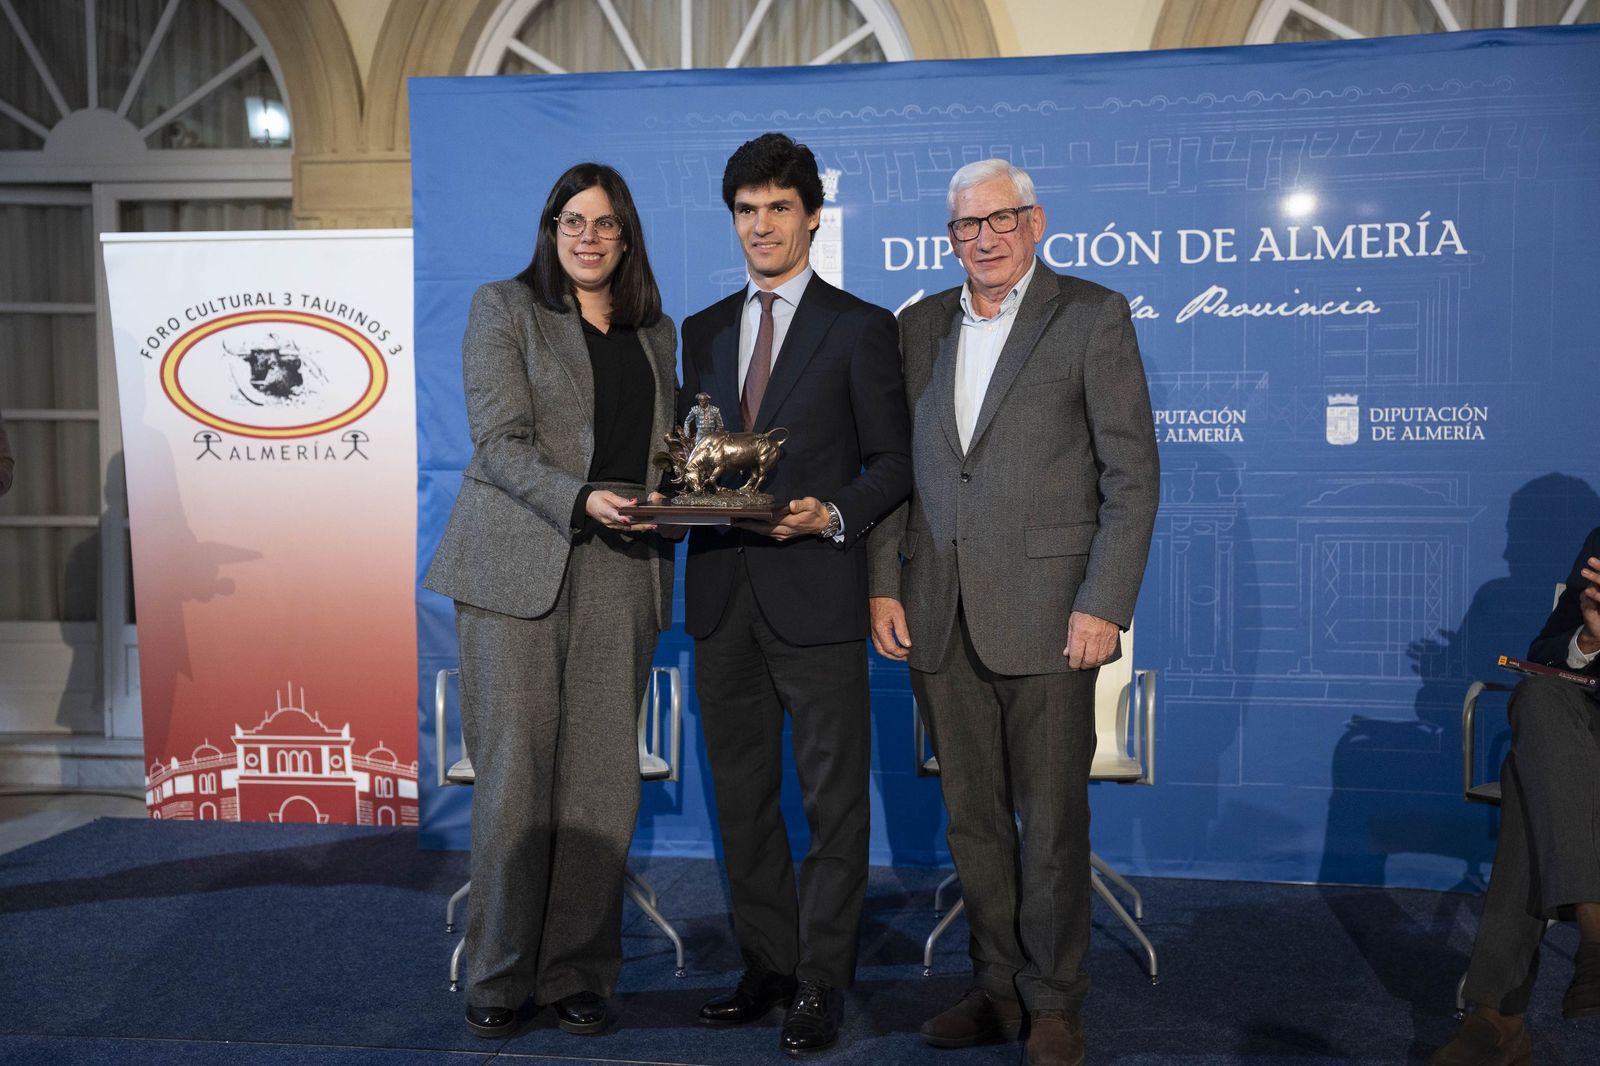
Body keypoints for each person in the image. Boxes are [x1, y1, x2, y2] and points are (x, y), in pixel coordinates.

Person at [867, 159, 1159, 1066]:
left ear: (1036, 222)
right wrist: (884, 580)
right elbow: (898, 472)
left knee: (1052, 821)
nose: (984, 239)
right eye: (966, 226)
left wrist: (1103, 603)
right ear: (948, 236)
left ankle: (1056, 1002)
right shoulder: (917, 327)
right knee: (973, 821)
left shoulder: (1090, 316)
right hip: (937, 612)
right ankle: (996, 987)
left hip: (1050, 616)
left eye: (1001, 220)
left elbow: (1132, 476)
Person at [423, 162, 679, 1040]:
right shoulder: (505, 307)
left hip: (623, 567)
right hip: (517, 569)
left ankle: (577, 971)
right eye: (573, 221)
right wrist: (580, 497)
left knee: (602, 786)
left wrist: (686, 496)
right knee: (515, 779)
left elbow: (662, 457)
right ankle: (497, 975)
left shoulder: (656, 331)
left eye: (605, 223)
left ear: (626, 234)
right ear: (551, 228)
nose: (588, 237)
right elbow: (498, 442)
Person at [680, 131, 911, 1055]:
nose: (762, 226)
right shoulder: (699, 331)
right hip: (721, 596)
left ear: (813, 215)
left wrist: (830, 516)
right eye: (746, 210)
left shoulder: (861, 326)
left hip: (815, 593)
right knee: (741, 798)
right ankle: (767, 963)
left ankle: (822, 978)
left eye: (779, 208)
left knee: (832, 803)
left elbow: (893, 463)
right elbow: (687, 459)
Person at [1428, 527, 1600, 1066]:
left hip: (1573, 763)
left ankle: (1498, 1020)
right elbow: (1546, 653)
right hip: (1586, 744)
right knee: (1540, 696)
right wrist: (1591, 642)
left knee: (1532, 781)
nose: (1507, 548)